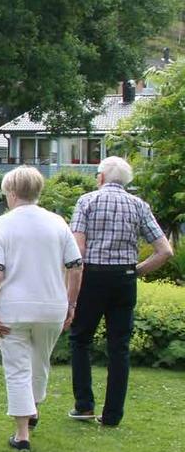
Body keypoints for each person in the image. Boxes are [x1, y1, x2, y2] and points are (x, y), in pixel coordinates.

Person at [67, 155, 172, 427]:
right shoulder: (139, 205)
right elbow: (165, 251)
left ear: (100, 176)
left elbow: (77, 249)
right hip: (124, 279)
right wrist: (136, 270)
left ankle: (84, 405)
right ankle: (112, 415)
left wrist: (69, 280)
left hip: (92, 276)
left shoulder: (86, 201)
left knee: (80, 340)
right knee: (119, 347)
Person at [0, 167, 83, 450]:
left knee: (17, 368)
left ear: (12, 193)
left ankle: (22, 432)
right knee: (41, 362)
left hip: (14, 307)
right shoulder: (58, 222)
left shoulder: (2, 224)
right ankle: (34, 409)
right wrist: (71, 302)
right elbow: (76, 267)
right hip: (52, 305)